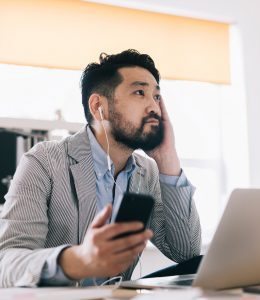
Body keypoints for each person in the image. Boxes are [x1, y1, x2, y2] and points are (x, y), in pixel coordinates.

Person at [0, 49, 201, 287]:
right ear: (98, 106)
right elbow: (6, 264)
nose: (153, 108)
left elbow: (187, 254)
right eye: (140, 92)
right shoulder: (44, 161)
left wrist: (167, 159)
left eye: (156, 97)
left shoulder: (147, 171)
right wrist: (79, 260)